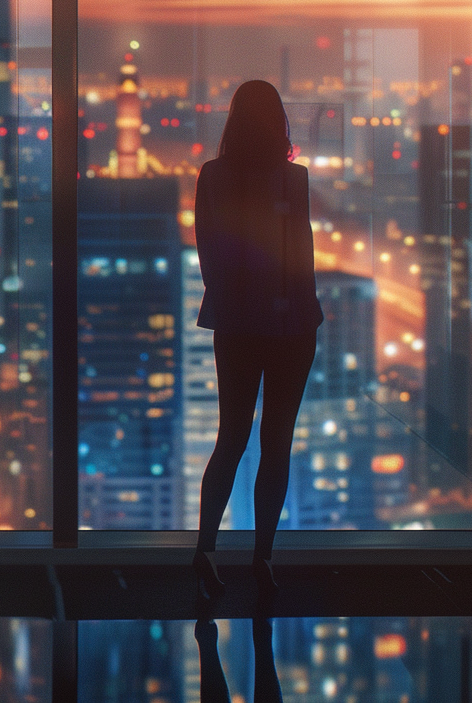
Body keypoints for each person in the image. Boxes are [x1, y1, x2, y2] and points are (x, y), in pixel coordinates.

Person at [192, 79, 322, 602]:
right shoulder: (293, 179)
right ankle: (262, 557)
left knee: (231, 438)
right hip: (291, 326)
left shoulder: (213, 177)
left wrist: (236, 302)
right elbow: (302, 255)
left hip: (237, 324)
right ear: (280, 122)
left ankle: (204, 550)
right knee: (277, 442)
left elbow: (209, 254)